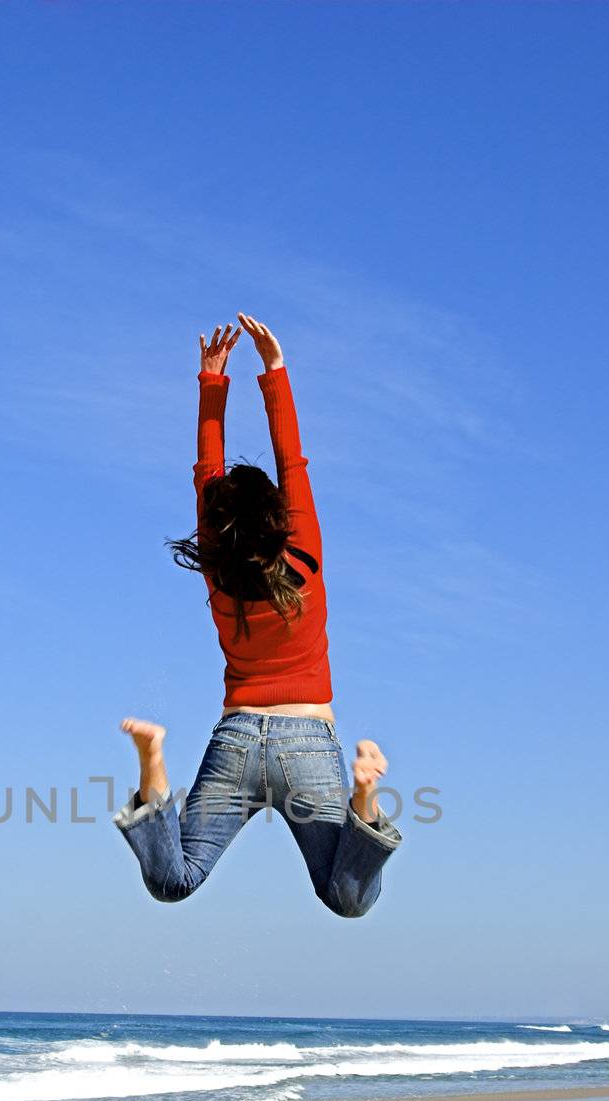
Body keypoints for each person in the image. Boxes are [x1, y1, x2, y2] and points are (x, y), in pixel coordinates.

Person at [113, 312, 402, 917]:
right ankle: (366, 801)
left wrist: (210, 383)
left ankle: (152, 763)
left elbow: (205, 477)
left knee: (174, 881)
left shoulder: (218, 574)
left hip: (237, 736)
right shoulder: (306, 558)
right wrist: (274, 369)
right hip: (308, 743)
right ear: (277, 518)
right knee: (348, 898)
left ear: (218, 529)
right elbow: (290, 459)